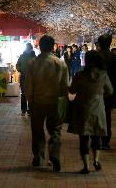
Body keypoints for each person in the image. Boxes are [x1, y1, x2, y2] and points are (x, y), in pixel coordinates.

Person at [25, 35, 69, 171]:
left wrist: (30, 100)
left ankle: (38, 156)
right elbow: (64, 85)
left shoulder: (32, 63)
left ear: (40, 46)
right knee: (55, 131)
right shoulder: (60, 63)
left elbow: (28, 85)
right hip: (54, 102)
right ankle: (54, 155)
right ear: (52, 47)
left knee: (37, 130)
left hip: (37, 102)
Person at [68, 50, 113, 174]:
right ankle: (97, 160)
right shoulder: (103, 75)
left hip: (82, 108)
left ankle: (86, 166)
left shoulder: (80, 75)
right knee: (96, 136)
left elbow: (72, 90)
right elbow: (110, 90)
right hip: (98, 108)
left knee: (84, 138)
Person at [97, 34, 116, 149]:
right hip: (110, 90)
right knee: (107, 115)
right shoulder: (115, 58)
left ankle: (96, 139)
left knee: (95, 115)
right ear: (110, 43)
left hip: (96, 90)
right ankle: (105, 140)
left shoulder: (95, 56)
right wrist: (115, 81)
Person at [16, 43, 36, 116]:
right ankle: (24, 110)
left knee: (30, 93)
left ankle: (30, 110)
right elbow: (17, 65)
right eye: (27, 48)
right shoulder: (22, 56)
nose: (28, 50)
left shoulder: (34, 57)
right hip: (24, 77)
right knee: (24, 94)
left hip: (32, 77)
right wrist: (20, 69)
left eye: (29, 49)